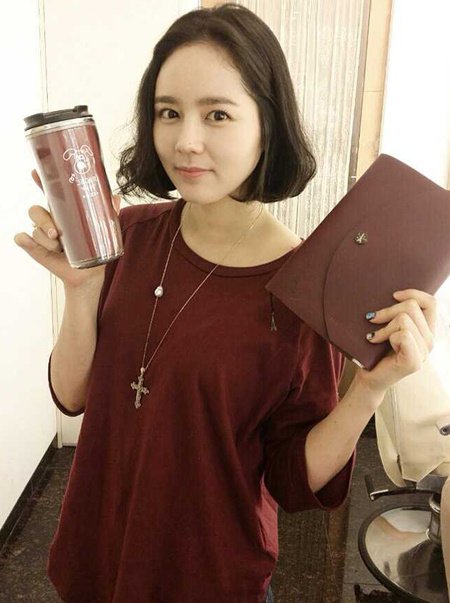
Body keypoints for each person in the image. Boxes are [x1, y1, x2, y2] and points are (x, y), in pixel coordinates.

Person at [14, 4, 437, 602]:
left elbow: (293, 482)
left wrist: (370, 389)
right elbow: (73, 395)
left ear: (268, 124)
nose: (186, 141)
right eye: (169, 112)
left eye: (217, 114)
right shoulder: (127, 236)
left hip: (208, 576)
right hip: (97, 555)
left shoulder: (300, 291)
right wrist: (81, 291)